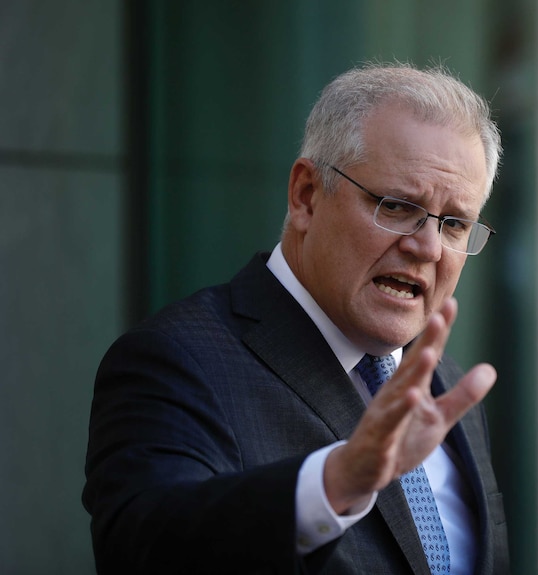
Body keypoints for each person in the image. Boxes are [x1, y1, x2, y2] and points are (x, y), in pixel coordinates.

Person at [83, 63, 510, 575]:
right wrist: (337, 482)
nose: (427, 247)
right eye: (397, 206)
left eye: (455, 224)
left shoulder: (448, 388)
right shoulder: (178, 360)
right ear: (307, 195)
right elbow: (146, 549)